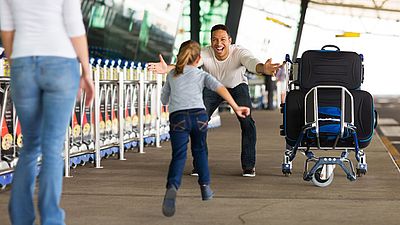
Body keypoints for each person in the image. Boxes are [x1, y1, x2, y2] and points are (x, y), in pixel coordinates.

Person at [0, 0, 94, 224]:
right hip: (60, 62)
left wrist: (18, 66)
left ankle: (21, 219)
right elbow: (73, 24)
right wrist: (86, 71)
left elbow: (6, 28)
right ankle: (51, 218)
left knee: (31, 145)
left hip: (22, 61)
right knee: (52, 146)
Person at [148, 24, 281, 177]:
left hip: (237, 86)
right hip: (212, 88)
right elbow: (187, 65)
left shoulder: (239, 52)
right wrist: (168, 69)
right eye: (215, 40)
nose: (219, 44)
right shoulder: (205, 53)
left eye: (223, 39)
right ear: (211, 41)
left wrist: (264, 68)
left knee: (247, 122)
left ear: (229, 40)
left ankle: (248, 166)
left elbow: (252, 63)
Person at [161, 40, 250, 217]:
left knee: (179, 155)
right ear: (198, 59)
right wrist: (236, 107)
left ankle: (172, 187)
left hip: (178, 118)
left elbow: (164, 100)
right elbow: (221, 89)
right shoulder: (201, 75)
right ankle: (205, 188)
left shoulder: (172, 75)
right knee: (199, 150)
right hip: (199, 116)